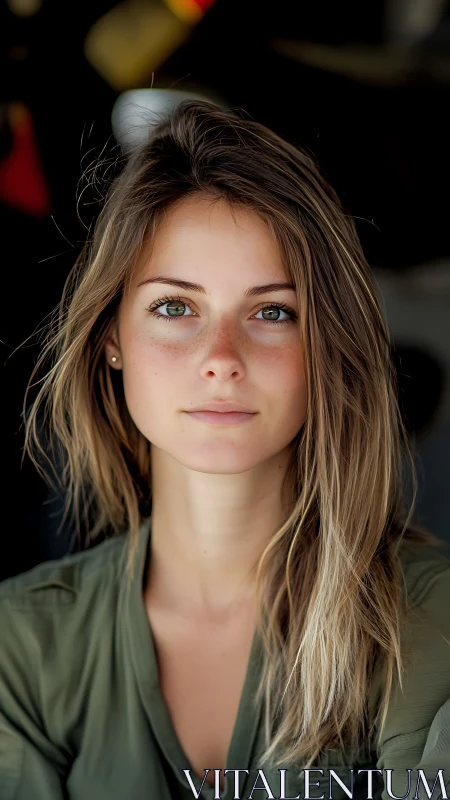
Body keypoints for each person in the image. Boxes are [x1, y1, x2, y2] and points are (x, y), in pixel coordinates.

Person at [1, 100, 449, 800]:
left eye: (272, 311)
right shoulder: (19, 643)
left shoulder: (427, 618)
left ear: (328, 345)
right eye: (175, 307)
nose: (220, 358)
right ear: (111, 336)